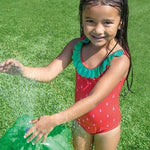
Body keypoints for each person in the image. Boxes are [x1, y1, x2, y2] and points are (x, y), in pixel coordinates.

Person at [0, 0, 132, 149]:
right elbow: (48, 72)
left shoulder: (119, 60)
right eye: (90, 21)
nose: (98, 30)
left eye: (107, 22)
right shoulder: (76, 46)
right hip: (81, 122)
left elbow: (93, 99)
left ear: (121, 22)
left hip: (107, 128)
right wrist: (23, 70)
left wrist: (54, 120)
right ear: (81, 18)